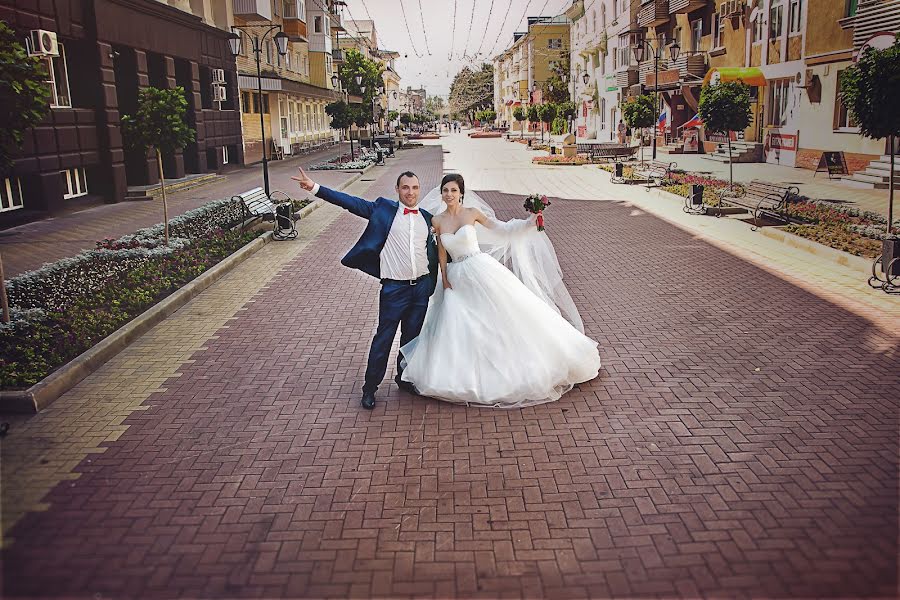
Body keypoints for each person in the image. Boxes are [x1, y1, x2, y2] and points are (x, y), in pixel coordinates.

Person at [398, 174, 601, 409]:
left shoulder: (472, 213)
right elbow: (442, 253)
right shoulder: (437, 220)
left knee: (503, 318)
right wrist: (444, 279)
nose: (449, 195)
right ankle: (462, 375)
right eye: (445, 190)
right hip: (456, 279)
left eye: (453, 190)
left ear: (461, 193)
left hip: (480, 271)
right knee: (460, 325)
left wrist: (528, 222)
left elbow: (501, 229)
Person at [292, 167, 438, 410]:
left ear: (419, 190)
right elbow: (350, 202)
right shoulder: (382, 209)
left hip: (420, 289)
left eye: (414, 188)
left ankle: (404, 378)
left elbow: (438, 251)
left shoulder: (427, 218)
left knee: (411, 339)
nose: (410, 192)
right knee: (384, 339)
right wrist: (314, 187)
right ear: (397, 190)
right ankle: (370, 387)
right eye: (405, 187)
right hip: (394, 290)